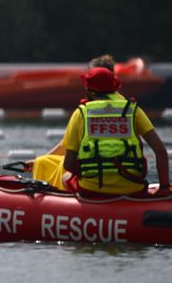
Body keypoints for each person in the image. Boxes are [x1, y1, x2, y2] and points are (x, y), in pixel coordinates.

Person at [57, 66, 170, 198]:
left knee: (66, 177)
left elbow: (68, 164)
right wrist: (164, 187)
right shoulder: (132, 110)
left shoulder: (80, 113)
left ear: (90, 91)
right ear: (115, 88)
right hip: (133, 188)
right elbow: (160, 150)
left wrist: (89, 173)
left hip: (92, 189)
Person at [30, 54, 119, 190]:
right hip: (123, 172)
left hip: (92, 174)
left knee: (44, 164)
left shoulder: (82, 112)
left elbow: (68, 157)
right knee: (42, 161)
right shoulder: (130, 109)